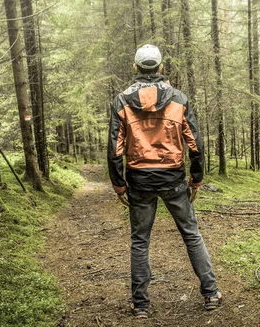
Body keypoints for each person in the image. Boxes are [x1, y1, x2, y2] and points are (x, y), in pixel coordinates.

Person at [107, 44, 222, 319]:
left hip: (139, 180)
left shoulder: (122, 101)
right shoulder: (179, 98)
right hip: (173, 179)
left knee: (140, 241)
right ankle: (210, 294)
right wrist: (196, 178)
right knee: (192, 235)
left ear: (136, 68)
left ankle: (141, 305)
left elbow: (115, 148)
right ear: (160, 68)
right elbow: (195, 143)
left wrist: (119, 183)